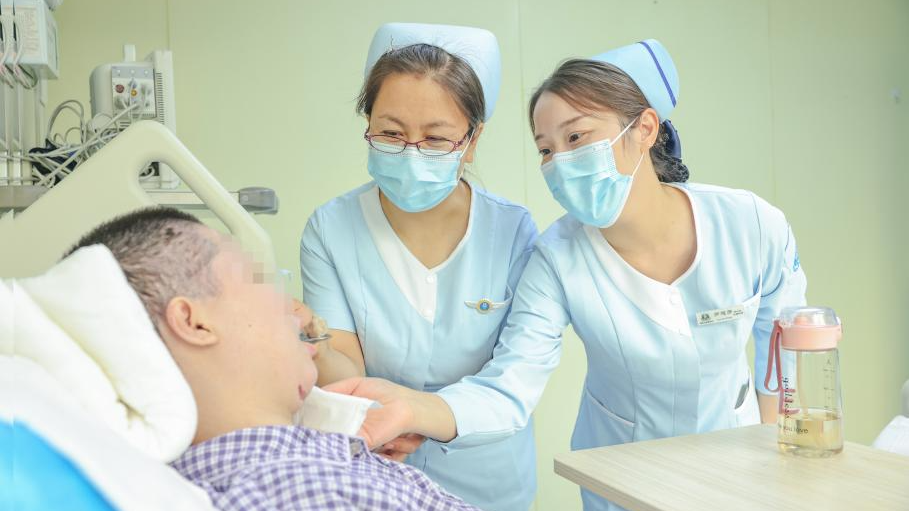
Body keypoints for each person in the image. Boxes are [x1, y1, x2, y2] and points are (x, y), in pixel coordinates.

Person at [333, 39, 808, 511]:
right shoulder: (556, 259)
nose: (559, 161)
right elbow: (510, 383)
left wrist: (773, 465)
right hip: (623, 483)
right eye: (545, 149)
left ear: (643, 129)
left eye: (576, 138)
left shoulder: (750, 224)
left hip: (739, 472)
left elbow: (785, 358)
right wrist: (414, 409)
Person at [65, 207, 479, 511]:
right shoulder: (301, 494)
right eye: (255, 278)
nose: (291, 305)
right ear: (194, 321)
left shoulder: (315, 470)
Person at [300, 23, 538, 511]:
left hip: (488, 478)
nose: (410, 153)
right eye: (391, 133)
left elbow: (513, 378)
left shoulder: (513, 232)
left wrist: (417, 412)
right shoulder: (331, 228)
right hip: (375, 471)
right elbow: (345, 369)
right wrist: (315, 341)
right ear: (368, 126)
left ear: (471, 142)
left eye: (435, 139)